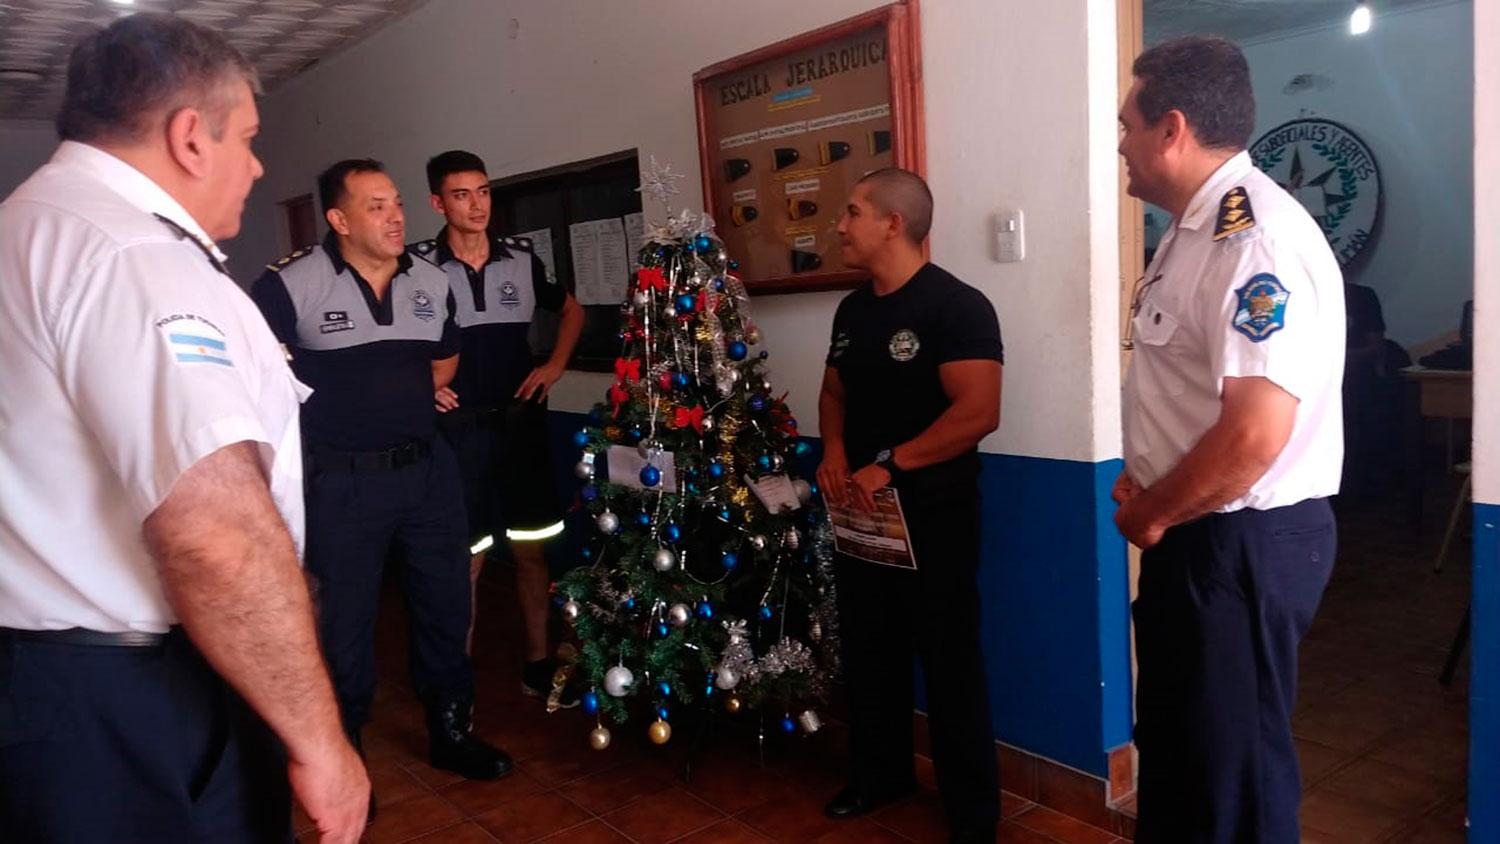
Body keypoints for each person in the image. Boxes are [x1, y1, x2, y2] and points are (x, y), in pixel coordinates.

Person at [0, 13, 368, 843]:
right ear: (191, 137)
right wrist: (321, 743)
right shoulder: (134, 258)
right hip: (127, 709)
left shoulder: (25, 227)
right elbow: (215, 537)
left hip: (40, 693)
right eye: (247, 137)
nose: (257, 164)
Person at [1114, 36, 1345, 842]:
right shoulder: (1189, 232)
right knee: (1180, 759)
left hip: (1236, 543)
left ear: (1170, 128)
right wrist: (1148, 478)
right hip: (1195, 527)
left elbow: (1254, 435)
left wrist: (1151, 514)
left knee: (1232, 782)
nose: (1121, 145)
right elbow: (1192, 399)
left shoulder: (1255, 243)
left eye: (1127, 126)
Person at [249, 159, 513, 800]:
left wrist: (403, 396)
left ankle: (451, 733)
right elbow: (253, 379)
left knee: (446, 607)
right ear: (338, 220)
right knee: (344, 624)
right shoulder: (291, 286)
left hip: (427, 474)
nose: (395, 217)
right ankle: (345, 757)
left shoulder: (429, 280)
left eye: (397, 203)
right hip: (343, 484)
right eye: (375, 206)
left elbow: (445, 359)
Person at [816, 168, 1003, 844]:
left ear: (893, 223)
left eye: (853, 212)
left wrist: (891, 465)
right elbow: (833, 393)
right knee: (869, 649)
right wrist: (835, 453)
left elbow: (979, 412)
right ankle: (879, 775)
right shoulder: (853, 310)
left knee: (950, 662)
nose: (840, 225)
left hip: (936, 515)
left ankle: (972, 812)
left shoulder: (957, 307)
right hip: (862, 513)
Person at [413, 150, 584, 701]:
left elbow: (572, 311)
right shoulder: (415, 267)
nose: (477, 204)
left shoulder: (520, 259)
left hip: (521, 426)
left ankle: (537, 658)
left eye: (483, 192)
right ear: (439, 203)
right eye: (462, 194)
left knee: (533, 548)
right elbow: (394, 338)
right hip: (459, 432)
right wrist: (421, 385)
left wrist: (555, 365)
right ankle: (455, 678)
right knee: (468, 557)